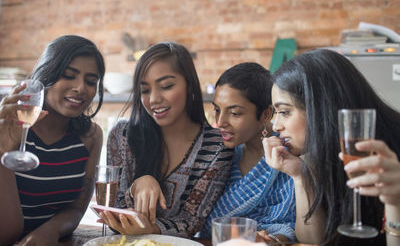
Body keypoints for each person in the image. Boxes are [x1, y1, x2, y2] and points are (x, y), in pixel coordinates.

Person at [262, 49, 400, 246]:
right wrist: (300, 176)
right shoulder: (321, 156)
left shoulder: (388, 157)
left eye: (284, 112)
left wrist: (396, 203)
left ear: (321, 107)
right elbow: (313, 241)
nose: (276, 126)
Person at [101, 41, 234, 238]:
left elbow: (191, 221)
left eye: (166, 86)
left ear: (189, 85)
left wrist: (152, 229)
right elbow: (111, 213)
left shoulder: (217, 147)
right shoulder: (122, 136)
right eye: (145, 90)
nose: (153, 99)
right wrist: (136, 186)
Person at [0, 35, 105, 246]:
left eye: (91, 81)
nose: (81, 88)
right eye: (69, 75)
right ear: (47, 75)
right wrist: (1, 152)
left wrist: (50, 231)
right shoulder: (11, 126)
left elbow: (76, 208)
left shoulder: (91, 136)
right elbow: (6, 234)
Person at [199, 63, 296, 243]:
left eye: (234, 113)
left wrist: (270, 239)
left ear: (266, 114)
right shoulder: (219, 154)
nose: (220, 122)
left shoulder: (287, 155)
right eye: (217, 110)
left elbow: (291, 223)